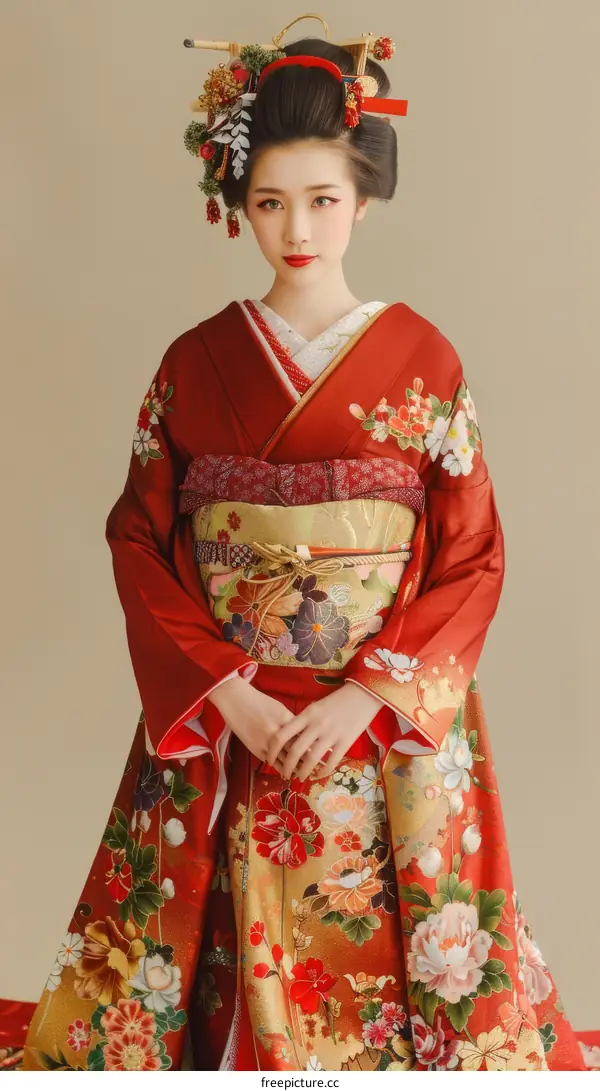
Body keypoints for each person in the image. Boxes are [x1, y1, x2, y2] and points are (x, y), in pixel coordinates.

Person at [0, 15, 596, 1073]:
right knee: (204, 956)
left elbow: (472, 553)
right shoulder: (196, 363)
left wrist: (369, 693)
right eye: (270, 201)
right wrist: (228, 691)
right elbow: (137, 536)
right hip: (239, 711)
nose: (298, 227)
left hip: (373, 717)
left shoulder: (424, 358)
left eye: (322, 199)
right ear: (240, 206)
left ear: (363, 197)